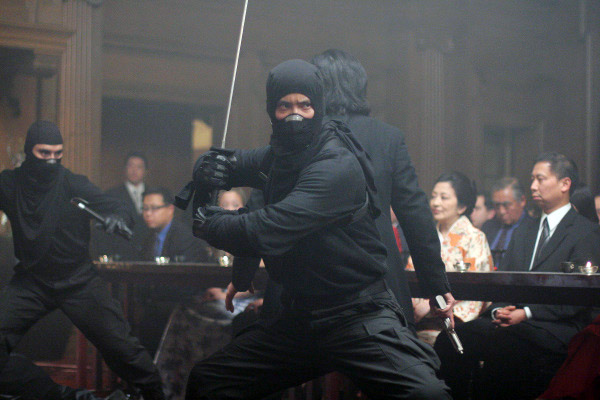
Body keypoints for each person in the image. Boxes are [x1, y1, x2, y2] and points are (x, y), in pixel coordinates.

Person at [183, 59, 453, 399]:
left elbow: (267, 226)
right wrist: (206, 167)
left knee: (427, 395)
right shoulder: (283, 155)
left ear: (319, 107)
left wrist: (209, 223)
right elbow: (233, 163)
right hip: (300, 319)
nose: (295, 115)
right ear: (272, 111)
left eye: (304, 105)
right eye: (285, 106)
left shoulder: (336, 163)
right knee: (208, 382)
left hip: (358, 316)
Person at [0, 121, 165, 400]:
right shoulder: (9, 183)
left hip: (78, 281)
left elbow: (118, 207)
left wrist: (118, 218)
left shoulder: (73, 183)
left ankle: (155, 395)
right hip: (31, 282)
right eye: (44, 153)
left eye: (58, 153)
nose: (52, 160)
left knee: (123, 348)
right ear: (29, 151)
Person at [434, 152, 600, 400]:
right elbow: (505, 282)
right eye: (532, 179)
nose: (533, 186)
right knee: (450, 338)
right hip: (511, 320)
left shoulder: (585, 231)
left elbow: (578, 296)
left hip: (556, 325)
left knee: (506, 344)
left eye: (540, 179)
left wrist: (526, 313)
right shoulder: (525, 230)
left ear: (565, 184)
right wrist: (498, 310)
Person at [310, 48, 450, 331]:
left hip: (309, 280)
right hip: (378, 282)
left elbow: (265, 204)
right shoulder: (387, 138)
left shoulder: (301, 136)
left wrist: (243, 274)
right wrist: (436, 287)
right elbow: (415, 216)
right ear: (360, 87)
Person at [154, 189, 260, 400]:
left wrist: (227, 294)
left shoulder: (254, 235)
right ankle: (170, 385)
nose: (230, 209)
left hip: (248, 299)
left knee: (225, 313)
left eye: (235, 204)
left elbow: (260, 279)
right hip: (219, 297)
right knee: (183, 310)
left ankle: (218, 382)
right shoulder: (212, 238)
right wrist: (216, 290)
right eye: (224, 205)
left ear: (245, 208)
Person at [407, 171, 493, 345]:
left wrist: (431, 307)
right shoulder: (425, 236)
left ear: (461, 206)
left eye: (444, 197)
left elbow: (474, 285)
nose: (435, 202)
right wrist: (416, 306)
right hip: (418, 320)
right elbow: (411, 274)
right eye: (433, 196)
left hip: (456, 324)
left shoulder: (474, 237)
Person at [137, 187, 212, 354]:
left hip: (182, 303)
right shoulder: (148, 237)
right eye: (145, 208)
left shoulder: (185, 237)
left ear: (170, 209)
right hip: (157, 302)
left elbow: (188, 281)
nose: (148, 214)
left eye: (154, 208)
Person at [92, 151, 150, 261]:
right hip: (121, 253)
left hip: (148, 253)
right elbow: (101, 227)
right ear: (125, 169)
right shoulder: (111, 195)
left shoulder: (153, 194)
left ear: (146, 171)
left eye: (139, 167)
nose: (134, 170)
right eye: (130, 166)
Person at [481, 177, 532, 267]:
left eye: (506, 205)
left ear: (522, 201)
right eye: (497, 205)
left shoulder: (533, 229)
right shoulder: (487, 227)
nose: (502, 211)